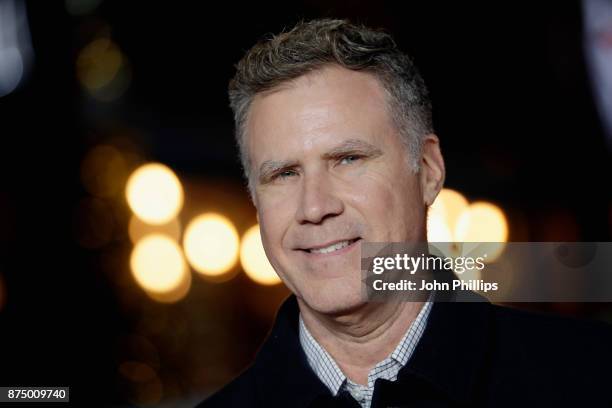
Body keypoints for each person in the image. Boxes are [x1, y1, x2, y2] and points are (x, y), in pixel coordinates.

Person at [197, 19, 612, 408]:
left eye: (348, 159)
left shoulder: (592, 377)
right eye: (284, 173)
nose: (315, 207)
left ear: (428, 170)